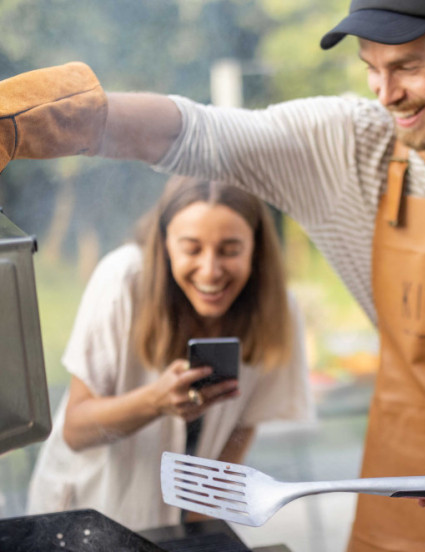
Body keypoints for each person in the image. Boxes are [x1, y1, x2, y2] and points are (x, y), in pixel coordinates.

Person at [0, 1, 425, 549]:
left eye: (407, 66)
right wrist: (76, 118)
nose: (386, 92)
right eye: (371, 67)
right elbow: (199, 133)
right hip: (398, 504)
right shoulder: (349, 146)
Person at [26, 175, 314, 531]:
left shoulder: (277, 309)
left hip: (177, 524)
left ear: (255, 247)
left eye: (230, 250)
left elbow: (241, 430)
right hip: (87, 516)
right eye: (192, 249)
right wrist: (155, 402)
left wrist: (197, 527)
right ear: (164, 244)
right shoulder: (123, 279)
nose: (210, 270)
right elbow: (75, 430)